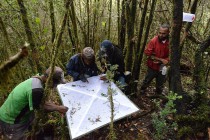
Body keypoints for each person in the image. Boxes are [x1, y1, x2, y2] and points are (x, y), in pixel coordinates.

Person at [0, 66, 69, 140]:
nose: (54, 87)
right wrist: (58, 108)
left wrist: (57, 107)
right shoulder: (37, 89)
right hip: (11, 120)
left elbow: (42, 102)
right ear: (50, 80)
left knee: (37, 130)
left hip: (22, 114)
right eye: (55, 84)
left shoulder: (37, 79)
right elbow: (41, 108)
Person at [140, 23, 170, 95]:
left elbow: (173, 55)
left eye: (163, 33)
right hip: (152, 66)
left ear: (168, 33)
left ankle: (158, 95)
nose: (161, 35)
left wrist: (167, 60)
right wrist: (160, 60)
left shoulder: (170, 42)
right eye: (159, 33)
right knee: (147, 80)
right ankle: (142, 91)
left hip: (163, 67)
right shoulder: (153, 41)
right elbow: (147, 53)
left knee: (161, 83)